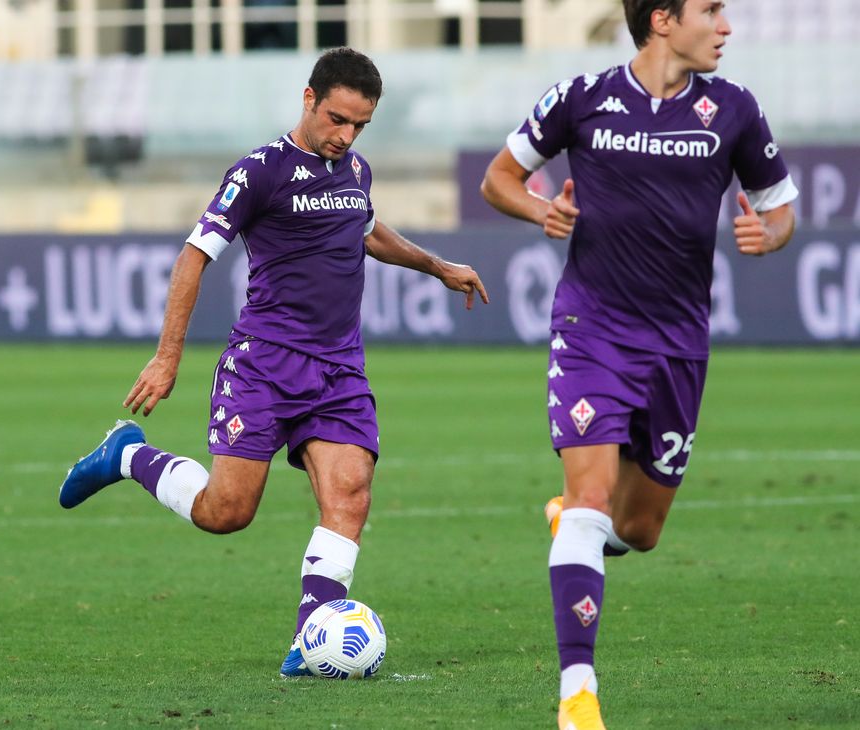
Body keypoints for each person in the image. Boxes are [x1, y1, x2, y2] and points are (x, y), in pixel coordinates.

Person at [58, 47, 488, 676]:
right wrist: (166, 357)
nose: (346, 136)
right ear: (309, 98)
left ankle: (310, 638)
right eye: (338, 119)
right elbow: (193, 257)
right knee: (226, 513)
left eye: (360, 125)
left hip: (338, 367)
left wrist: (436, 264)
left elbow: (366, 231)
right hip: (265, 365)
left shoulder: (356, 171)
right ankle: (127, 453)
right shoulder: (259, 172)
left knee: (350, 493)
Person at [480, 1, 796, 727]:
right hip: (591, 328)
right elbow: (499, 178)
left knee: (642, 530)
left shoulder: (736, 110)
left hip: (679, 342)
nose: (725, 26)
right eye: (711, 10)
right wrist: (540, 212)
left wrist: (767, 236)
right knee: (590, 502)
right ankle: (578, 696)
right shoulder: (582, 99)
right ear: (662, 19)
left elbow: (781, 209)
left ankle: (578, 522)